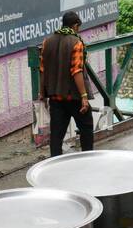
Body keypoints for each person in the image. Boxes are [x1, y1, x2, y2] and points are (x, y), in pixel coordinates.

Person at [38, 10, 93, 157]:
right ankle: (88, 161)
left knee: (56, 136)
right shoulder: (76, 43)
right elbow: (76, 71)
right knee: (86, 129)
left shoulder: (47, 42)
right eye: (78, 27)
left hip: (56, 98)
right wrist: (84, 96)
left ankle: (55, 165)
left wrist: (42, 93)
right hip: (74, 97)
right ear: (75, 26)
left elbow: (42, 70)